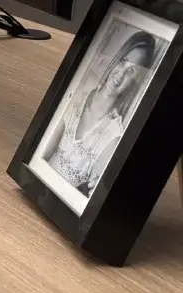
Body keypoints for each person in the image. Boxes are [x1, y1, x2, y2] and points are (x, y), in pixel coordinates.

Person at [43, 29, 158, 198]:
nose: (121, 73)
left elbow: (90, 194)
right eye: (123, 62)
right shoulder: (77, 96)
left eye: (131, 71)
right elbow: (41, 156)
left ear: (135, 81)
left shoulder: (114, 135)